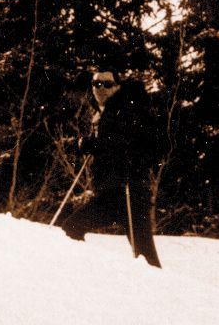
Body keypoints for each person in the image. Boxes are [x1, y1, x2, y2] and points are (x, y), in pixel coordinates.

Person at [57, 71, 165, 268]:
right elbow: (112, 145)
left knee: (72, 227)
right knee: (72, 227)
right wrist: (91, 144)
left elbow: (127, 144)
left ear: (117, 87)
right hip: (113, 192)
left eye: (107, 84)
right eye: (96, 84)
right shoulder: (106, 111)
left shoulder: (125, 110)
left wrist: (94, 146)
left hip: (129, 191)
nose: (101, 89)